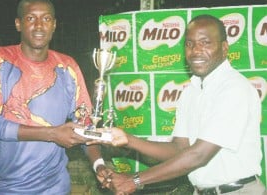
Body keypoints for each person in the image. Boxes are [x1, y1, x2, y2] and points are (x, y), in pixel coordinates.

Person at [92, 15, 266, 195]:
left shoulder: (234, 88)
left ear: (224, 48)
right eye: (189, 44)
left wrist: (135, 180)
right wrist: (129, 140)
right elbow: (179, 149)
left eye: (205, 43)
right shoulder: (191, 91)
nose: (196, 50)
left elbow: (199, 155)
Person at [0, 0, 109, 194]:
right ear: (18, 24)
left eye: (46, 19)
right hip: (7, 188)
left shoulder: (67, 67)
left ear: (54, 25)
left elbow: (85, 125)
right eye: (30, 18)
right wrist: (52, 134)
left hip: (55, 187)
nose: (39, 25)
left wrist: (99, 164)